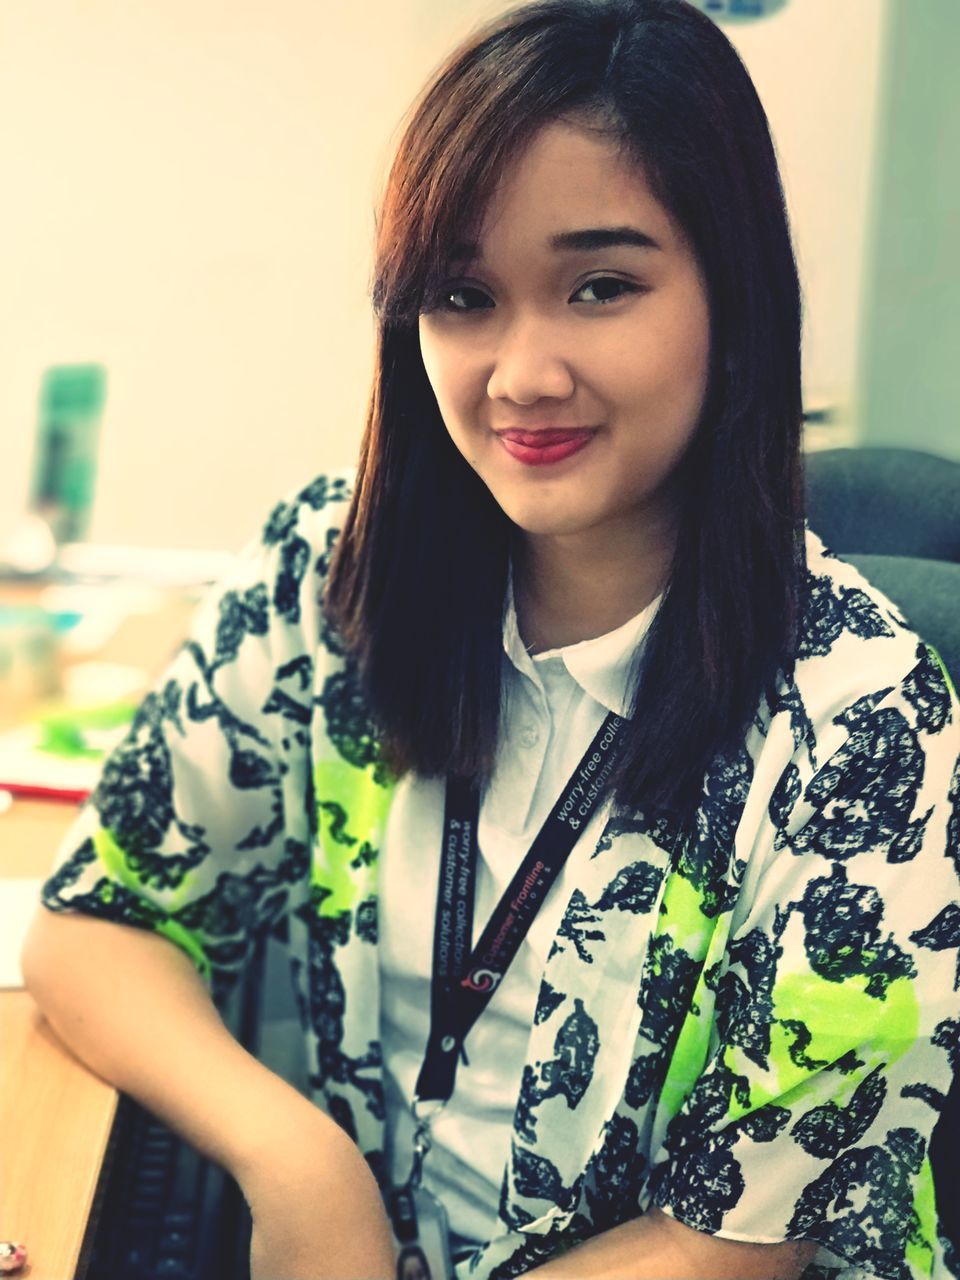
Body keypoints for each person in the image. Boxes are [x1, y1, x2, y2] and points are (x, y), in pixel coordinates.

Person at [22, 1, 960, 1278]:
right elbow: (94, 921)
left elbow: (731, 1245)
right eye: (464, 294)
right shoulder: (332, 572)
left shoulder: (868, 716)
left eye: (600, 286)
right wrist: (300, 1163)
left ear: (731, 300)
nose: (519, 372)